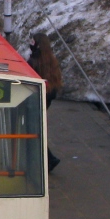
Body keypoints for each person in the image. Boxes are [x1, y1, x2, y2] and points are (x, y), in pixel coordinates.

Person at [27, 32, 63, 172]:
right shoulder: (51, 60)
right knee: (37, 128)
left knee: (34, 130)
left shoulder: (33, 62)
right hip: (47, 97)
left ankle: (49, 159)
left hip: (36, 98)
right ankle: (47, 159)